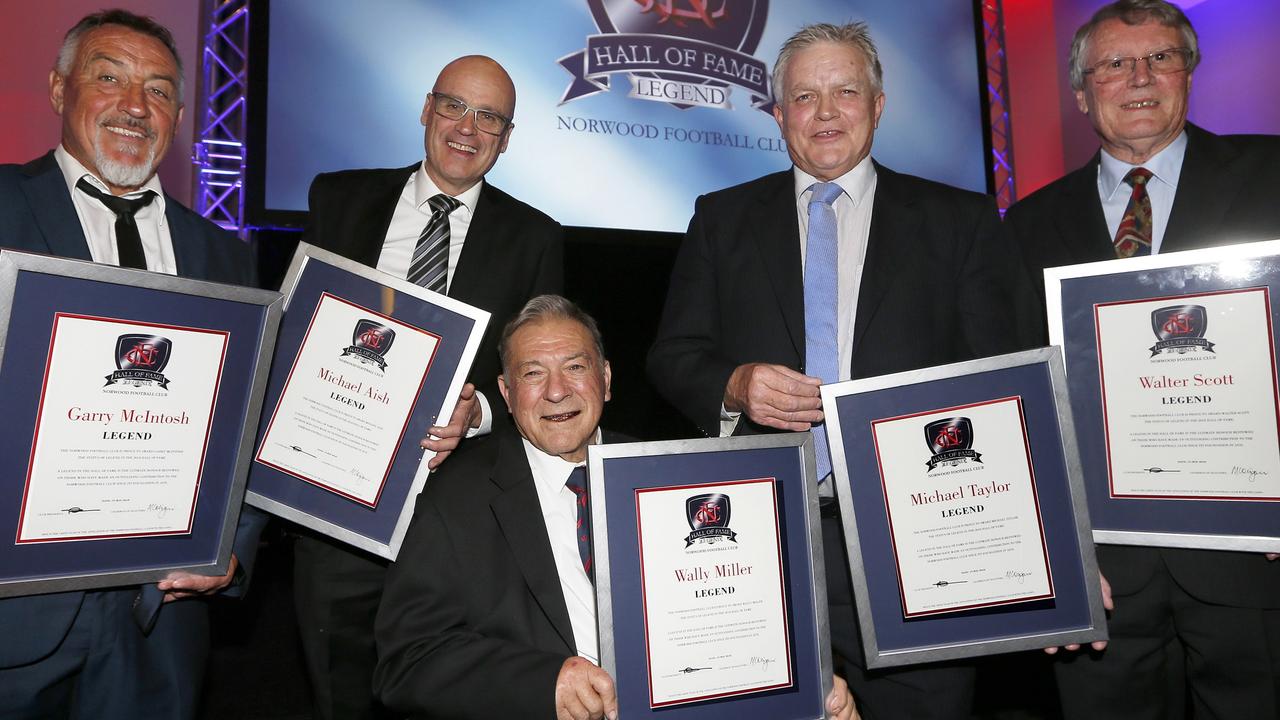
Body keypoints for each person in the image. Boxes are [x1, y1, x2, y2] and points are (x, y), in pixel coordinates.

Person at [646, 22, 1026, 720]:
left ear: (878, 105)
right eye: (804, 96)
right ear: (778, 113)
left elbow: (1003, 384)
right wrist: (733, 385)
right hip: (762, 539)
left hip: (923, 535)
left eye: (845, 92)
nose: (825, 113)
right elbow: (672, 356)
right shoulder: (722, 218)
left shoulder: (960, 221)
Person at [375, 294, 858, 720]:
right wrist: (546, 684)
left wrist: (803, 684)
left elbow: (740, 615)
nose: (557, 390)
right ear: (506, 393)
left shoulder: (673, 476)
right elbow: (408, 660)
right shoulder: (458, 497)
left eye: (575, 367)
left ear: (605, 379)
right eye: (533, 373)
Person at [1004, 1, 1280, 718]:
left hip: (1254, 557)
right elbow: (1018, 393)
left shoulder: (1272, 173)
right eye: (1115, 64)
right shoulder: (1027, 223)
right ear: (1081, 93)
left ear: (1188, 72)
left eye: (1160, 57)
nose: (1139, 77)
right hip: (1102, 568)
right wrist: (1050, 546)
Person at [0, 9, 267, 719]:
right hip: (15, 616)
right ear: (60, 91)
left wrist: (229, 551)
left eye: (157, 90)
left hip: (164, 623)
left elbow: (251, 420)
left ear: (178, 115)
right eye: (108, 78)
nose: (133, 106)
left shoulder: (225, 255)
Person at [293, 54, 563, 720]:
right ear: (426, 109)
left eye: (489, 116)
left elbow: (542, 379)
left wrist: (479, 414)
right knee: (338, 693)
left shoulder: (535, 237)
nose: (467, 128)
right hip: (335, 508)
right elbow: (294, 334)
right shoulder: (339, 197)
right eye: (454, 106)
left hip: (457, 519)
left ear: (506, 137)